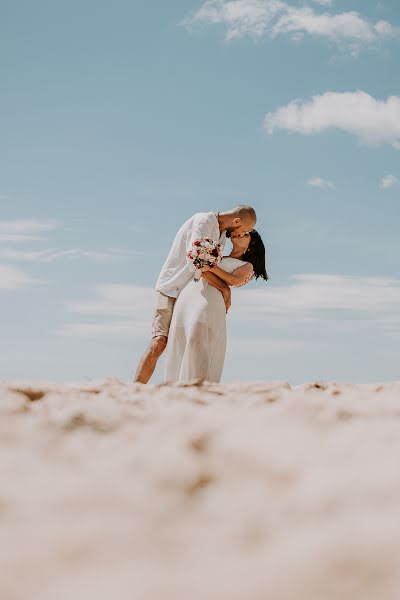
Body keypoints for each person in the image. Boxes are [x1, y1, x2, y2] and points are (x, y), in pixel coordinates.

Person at [133, 205, 257, 384]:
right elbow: (198, 264)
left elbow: (209, 269)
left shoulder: (221, 235)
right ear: (237, 221)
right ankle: (137, 388)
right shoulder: (203, 222)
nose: (240, 234)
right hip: (171, 287)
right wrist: (224, 289)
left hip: (187, 293)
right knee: (159, 341)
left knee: (181, 339)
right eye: (244, 230)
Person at [164, 229, 268, 383]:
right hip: (189, 296)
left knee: (197, 338)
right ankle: (176, 386)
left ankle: (197, 383)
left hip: (209, 301)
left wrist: (209, 267)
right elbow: (201, 271)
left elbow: (233, 280)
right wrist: (213, 274)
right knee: (181, 338)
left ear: (250, 246)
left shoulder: (247, 266)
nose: (240, 233)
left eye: (245, 235)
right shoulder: (218, 256)